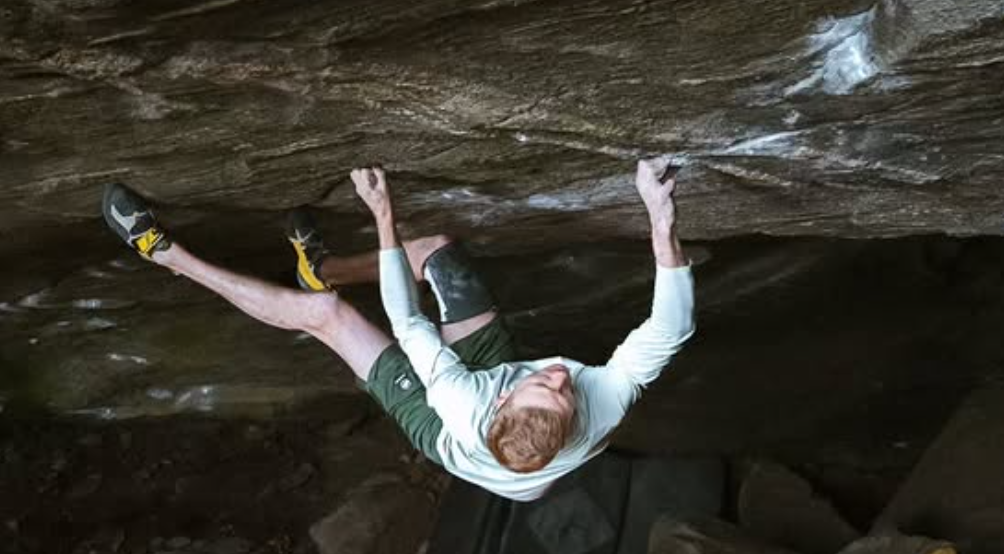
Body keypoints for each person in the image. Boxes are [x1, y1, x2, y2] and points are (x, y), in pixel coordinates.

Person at [101, 158, 694, 502]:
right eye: (561, 389)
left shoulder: (460, 404)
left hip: (445, 437)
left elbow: (408, 323)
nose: (562, 376)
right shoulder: (601, 399)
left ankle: (166, 255)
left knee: (329, 317)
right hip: (508, 443)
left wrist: (382, 214)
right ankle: (323, 268)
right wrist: (659, 218)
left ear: (504, 395)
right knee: (438, 255)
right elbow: (672, 324)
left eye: (552, 388)